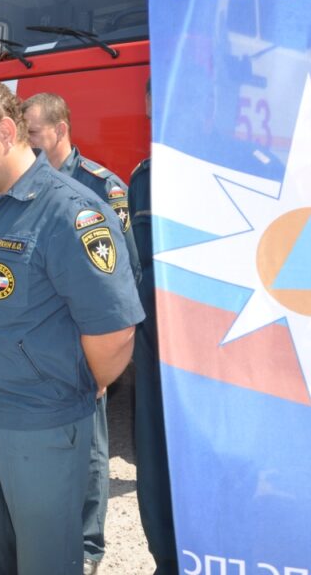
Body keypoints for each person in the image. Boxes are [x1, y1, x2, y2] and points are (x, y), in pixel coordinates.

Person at [0, 77, 144, 575]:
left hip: (40, 424)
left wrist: (77, 383)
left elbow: (114, 332)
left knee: (46, 562)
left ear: (6, 133)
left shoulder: (70, 212)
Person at [22, 92, 141, 575]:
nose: (27, 142)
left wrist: (104, 356)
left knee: (90, 445)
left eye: (33, 133)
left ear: (60, 129)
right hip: (36, 340)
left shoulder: (101, 187)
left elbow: (125, 272)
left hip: (81, 340)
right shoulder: (21, 183)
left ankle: (88, 545)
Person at [130, 80, 178, 575]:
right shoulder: (143, 177)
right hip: (155, 341)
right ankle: (166, 559)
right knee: (156, 455)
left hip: (216, 349)